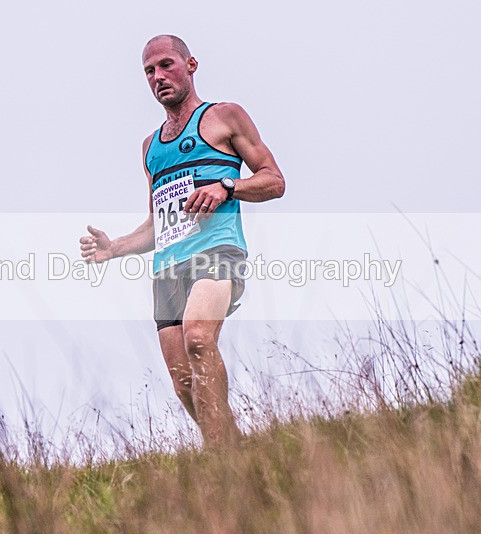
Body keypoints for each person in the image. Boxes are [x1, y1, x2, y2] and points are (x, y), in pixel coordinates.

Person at [79, 35, 284, 447]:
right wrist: (114, 248)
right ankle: (230, 448)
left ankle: (222, 453)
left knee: (198, 337)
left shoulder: (224, 116)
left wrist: (227, 186)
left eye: (166, 65)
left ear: (190, 65)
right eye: (149, 71)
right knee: (184, 384)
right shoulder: (151, 148)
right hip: (167, 268)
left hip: (217, 251)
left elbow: (274, 181)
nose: (158, 77)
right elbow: (157, 224)